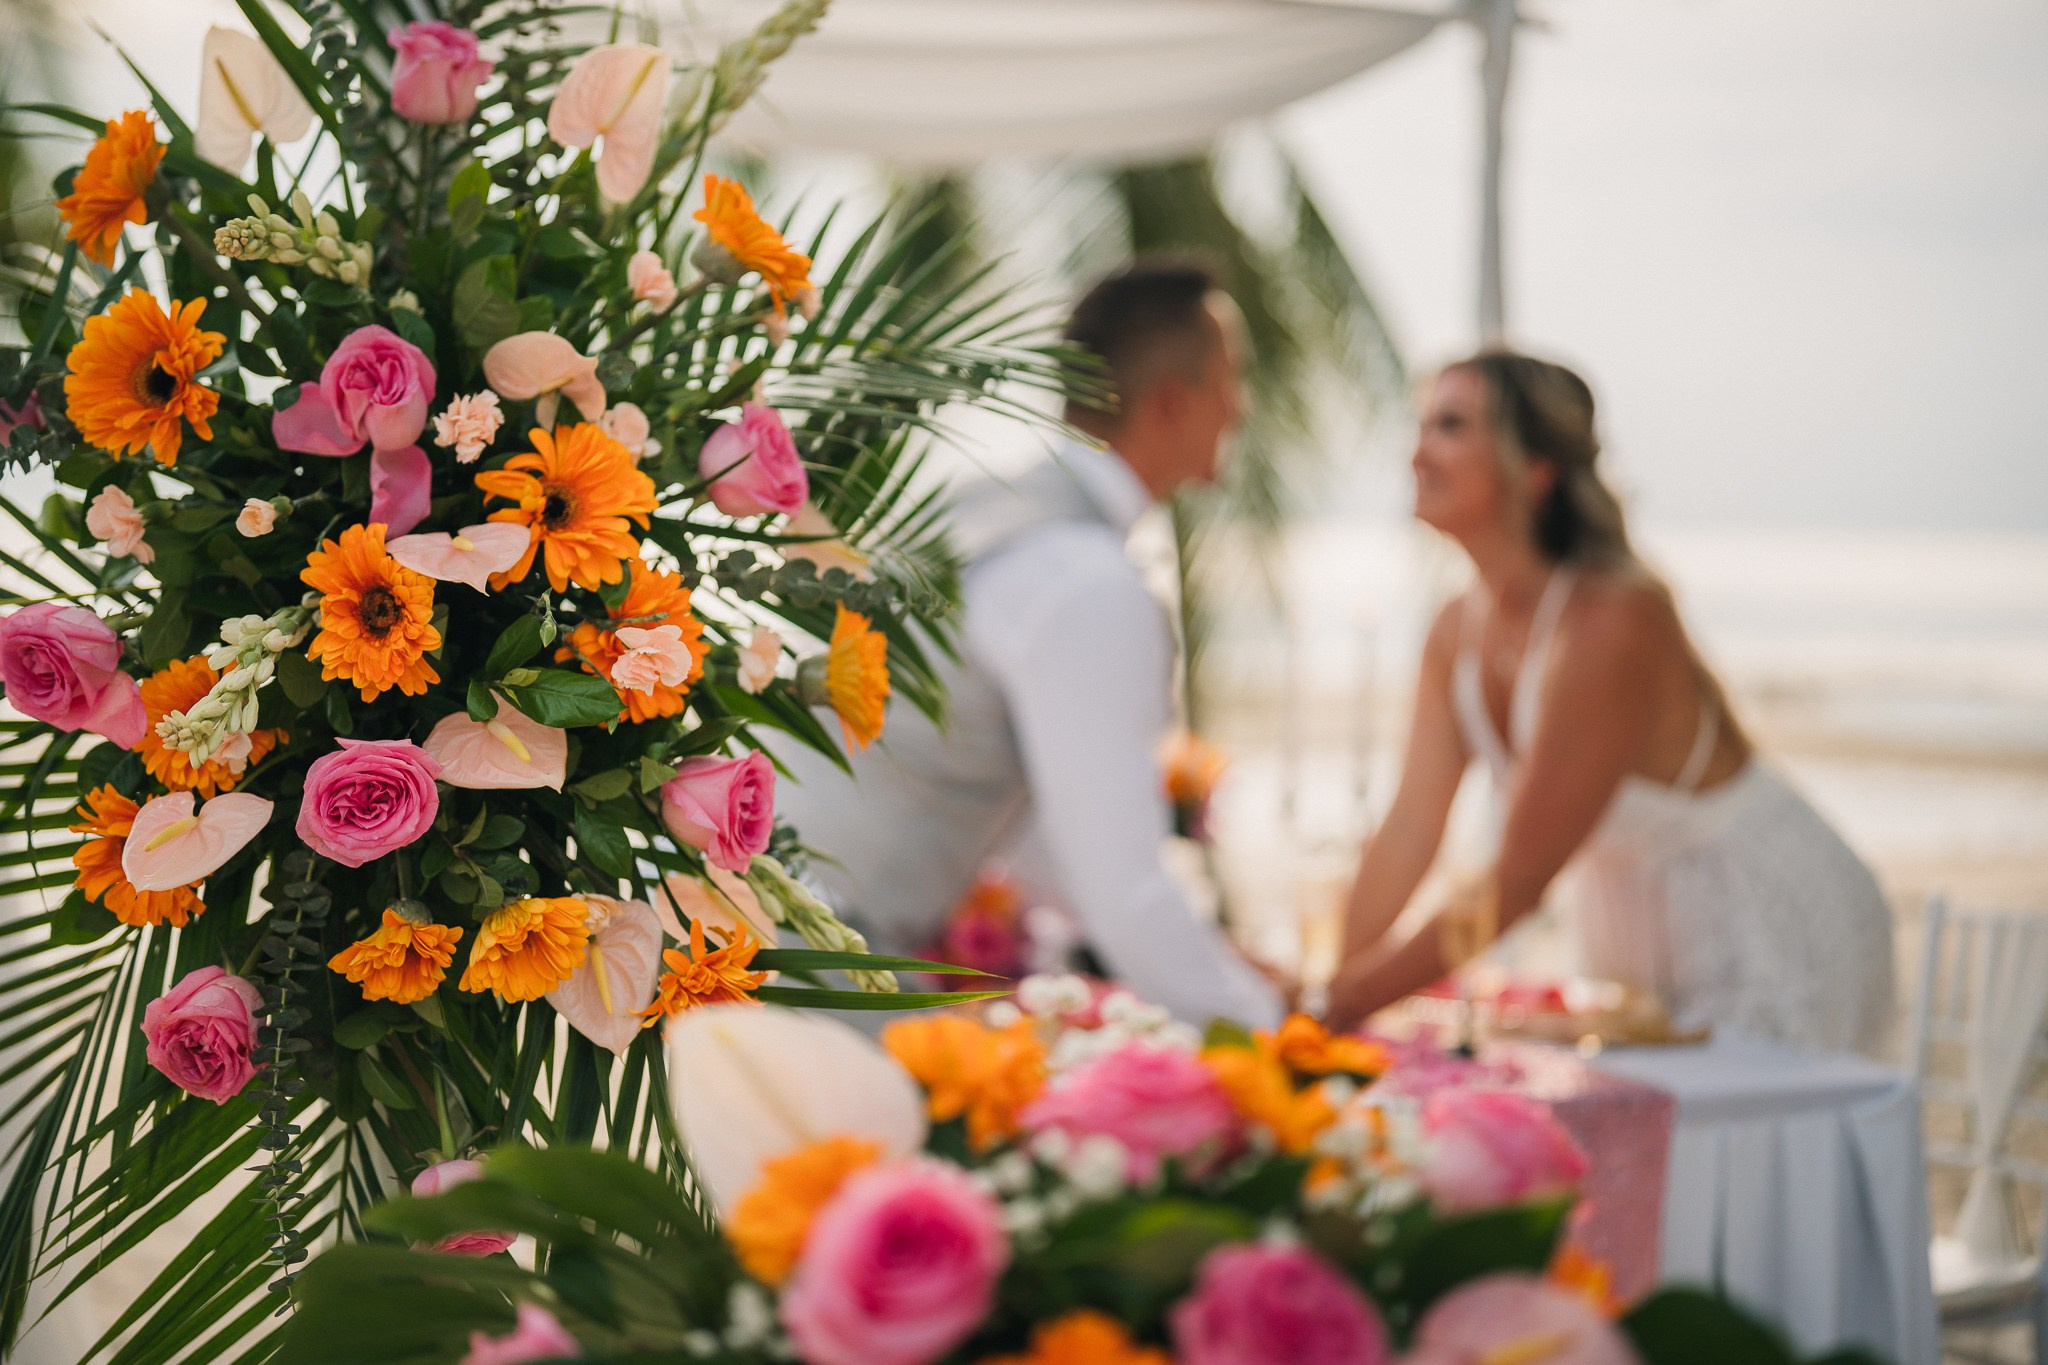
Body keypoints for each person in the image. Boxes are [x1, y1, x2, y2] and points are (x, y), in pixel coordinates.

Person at [1325, 351, 1894, 1055]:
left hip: (1762, 929)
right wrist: (1334, 981)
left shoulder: (1611, 621)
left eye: (1451, 426)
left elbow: (1516, 880)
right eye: (1423, 426)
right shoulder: (1452, 631)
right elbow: (1409, 830)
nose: (1417, 454)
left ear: (1535, 468)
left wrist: (1352, 1000)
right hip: (1628, 951)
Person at [775, 258, 1284, 1029]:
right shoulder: (1086, 578)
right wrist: (1273, 1031)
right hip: (817, 970)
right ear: (1173, 403)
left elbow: (1054, 848)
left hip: (747, 930)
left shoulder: (983, 504)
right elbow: (1123, 890)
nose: (1241, 407)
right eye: (1230, 381)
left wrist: (1215, 961)